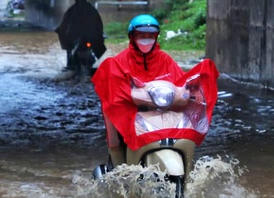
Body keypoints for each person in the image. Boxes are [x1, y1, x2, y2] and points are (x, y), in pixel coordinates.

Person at [91, 14, 219, 167]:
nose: (146, 39)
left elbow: (180, 83)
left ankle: (187, 174)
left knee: (183, 133)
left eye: (150, 36)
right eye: (141, 35)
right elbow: (111, 91)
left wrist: (192, 92)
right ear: (132, 37)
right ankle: (121, 176)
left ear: (156, 37)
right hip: (128, 112)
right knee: (114, 140)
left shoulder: (164, 59)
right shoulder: (119, 62)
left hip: (159, 113)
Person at [54, 0, 106, 70]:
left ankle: (69, 64)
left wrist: (60, 30)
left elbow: (64, 24)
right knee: (70, 47)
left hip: (80, 38)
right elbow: (99, 23)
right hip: (85, 38)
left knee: (69, 48)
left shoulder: (72, 10)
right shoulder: (90, 8)